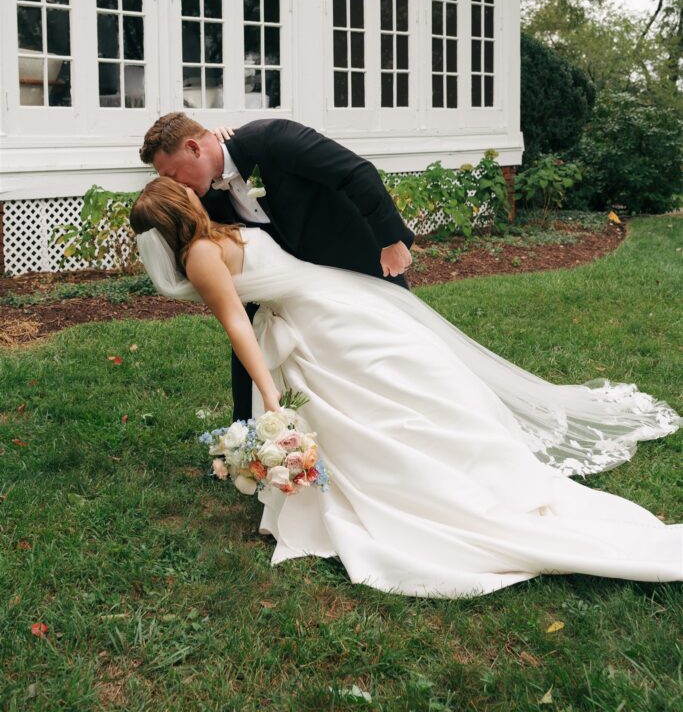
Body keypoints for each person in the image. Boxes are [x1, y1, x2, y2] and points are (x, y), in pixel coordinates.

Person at [130, 177, 682, 599]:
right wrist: (269, 393)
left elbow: (238, 320)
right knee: (390, 388)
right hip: (325, 309)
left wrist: (270, 399)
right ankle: (466, 469)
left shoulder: (206, 246)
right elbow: (242, 317)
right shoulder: (213, 243)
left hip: (324, 313)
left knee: (399, 385)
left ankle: (459, 478)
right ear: (184, 210)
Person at [139, 113, 414, 422]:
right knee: (256, 334)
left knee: (397, 343)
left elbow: (354, 172)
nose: (176, 186)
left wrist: (390, 240)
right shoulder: (204, 195)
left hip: (352, 253)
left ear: (194, 148)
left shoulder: (272, 138)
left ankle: (408, 410)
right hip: (287, 284)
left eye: (174, 175)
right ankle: (248, 428)